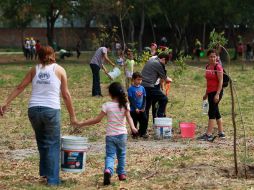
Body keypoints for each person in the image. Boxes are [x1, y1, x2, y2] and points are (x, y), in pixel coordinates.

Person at [0, 46, 77, 185]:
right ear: (53, 55)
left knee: (42, 142)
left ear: (38, 56)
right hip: (51, 111)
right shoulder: (59, 70)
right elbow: (65, 94)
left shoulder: (34, 69)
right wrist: (73, 116)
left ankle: (46, 174)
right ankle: (53, 180)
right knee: (53, 144)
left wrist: (5, 102)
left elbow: (20, 87)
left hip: (33, 110)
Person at [74, 82, 138, 185]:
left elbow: (97, 120)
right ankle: (121, 174)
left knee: (110, 156)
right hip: (122, 135)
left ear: (110, 94)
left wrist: (82, 123)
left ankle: (108, 170)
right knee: (121, 155)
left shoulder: (107, 105)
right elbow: (129, 117)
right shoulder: (125, 105)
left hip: (110, 136)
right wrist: (133, 127)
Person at [197, 49, 225, 141]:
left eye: (214, 56)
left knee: (211, 112)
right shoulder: (207, 66)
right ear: (208, 57)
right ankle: (221, 133)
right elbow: (208, 82)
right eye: (210, 56)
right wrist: (206, 93)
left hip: (217, 92)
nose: (212, 58)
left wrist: (217, 94)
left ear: (217, 57)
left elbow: (221, 81)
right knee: (216, 111)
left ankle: (208, 135)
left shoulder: (218, 67)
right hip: (210, 92)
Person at [141, 52, 172, 132]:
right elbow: (165, 78)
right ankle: (160, 116)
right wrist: (170, 80)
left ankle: (143, 131)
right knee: (164, 99)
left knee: (146, 108)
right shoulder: (158, 64)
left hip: (143, 86)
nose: (165, 64)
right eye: (166, 62)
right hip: (149, 86)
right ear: (163, 59)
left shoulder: (151, 60)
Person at [127, 72, 148, 138]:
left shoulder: (142, 88)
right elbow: (131, 100)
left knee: (144, 120)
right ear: (133, 79)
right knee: (134, 121)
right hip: (133, 109)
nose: (139, 81)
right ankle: (135, 134)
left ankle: (142, 133)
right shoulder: (130, 89)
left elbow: (144, 98)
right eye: (138, 79)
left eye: (141, 80)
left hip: (141, 109)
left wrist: (143, 107)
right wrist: (135, 108)